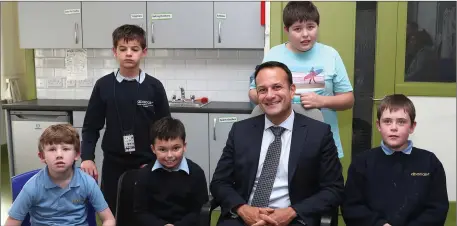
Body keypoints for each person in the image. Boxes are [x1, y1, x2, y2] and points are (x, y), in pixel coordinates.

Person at [211, 61, 344, 226]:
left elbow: (333, 189)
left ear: (292, 90)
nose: (269, 95)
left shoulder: (319, 134)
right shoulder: (240, 131)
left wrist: (291, 212)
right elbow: (219, 182)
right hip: (245, 219)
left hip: (294, 219)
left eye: (277, 87)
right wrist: (243, 209)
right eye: (262, 90)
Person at [80, 24, 171, 213]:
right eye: (123, 49)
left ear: (143, 52)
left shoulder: (154, 86)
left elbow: (165, 129)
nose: (128, 54)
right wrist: (87, 157)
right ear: (115, 52)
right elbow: (90, 126)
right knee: (113, 211)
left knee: (145, 212)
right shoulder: (103, 85)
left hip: (147, 162)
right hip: (113, 163)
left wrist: (159, 158)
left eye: (134, 49)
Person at [248, 1, 354, 159]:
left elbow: (348, 100)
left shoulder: (331, 55)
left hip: (322, 142)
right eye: (297, 29)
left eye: (311, 27)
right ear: (286, 30)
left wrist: (321, 101)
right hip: (281, 142)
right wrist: (276, 100)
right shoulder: (274, 55)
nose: (305, 34)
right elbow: (253, 92)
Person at [342, 94, 449, 226]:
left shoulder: (430, 162)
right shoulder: (362, 162)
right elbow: (351, 207)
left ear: (412, 127)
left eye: (401, 122)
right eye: (387, 121)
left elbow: (437, 209)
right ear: (378, 125)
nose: (394, 127)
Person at [4, 124, 115, 226]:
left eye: (66, 149)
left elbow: (109, 219)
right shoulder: (32, 187)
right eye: (52, 149)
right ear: (42, 157)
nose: (59, 155)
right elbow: (12, 222)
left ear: (76, 154)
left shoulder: (87, 182)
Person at [133, 117, 208, 226]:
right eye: (162, 149)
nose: (169, 155)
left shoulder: (196, 173)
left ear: (184, 146)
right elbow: (140, 212)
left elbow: (198, 211)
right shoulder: (144, 175)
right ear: (153, 149)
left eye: (175, 148)